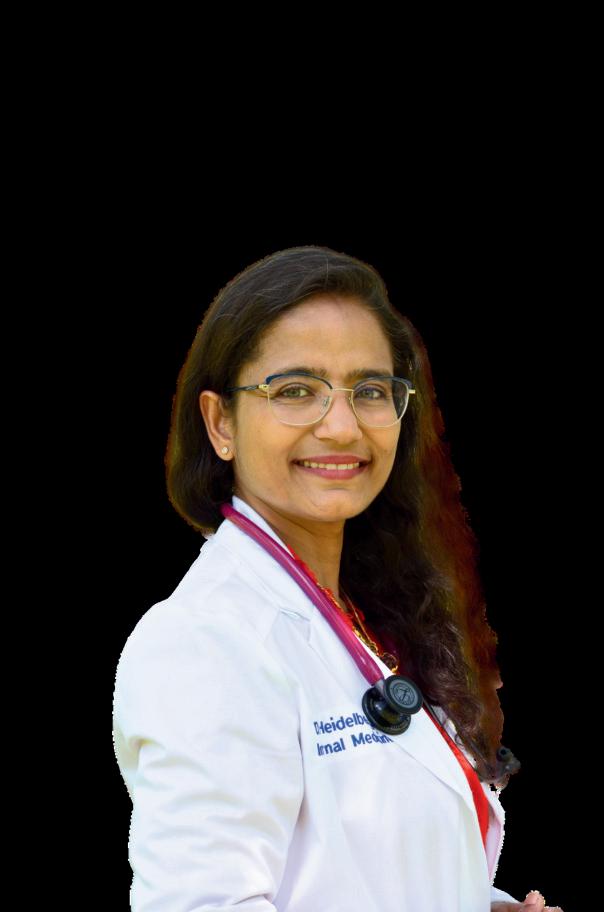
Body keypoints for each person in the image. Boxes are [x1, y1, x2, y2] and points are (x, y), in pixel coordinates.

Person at [112, 246, 564, 911]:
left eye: (370, 391)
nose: (343, 426)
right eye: (296, 390)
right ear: (220, 423)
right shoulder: (204, 641)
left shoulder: (362, 613)